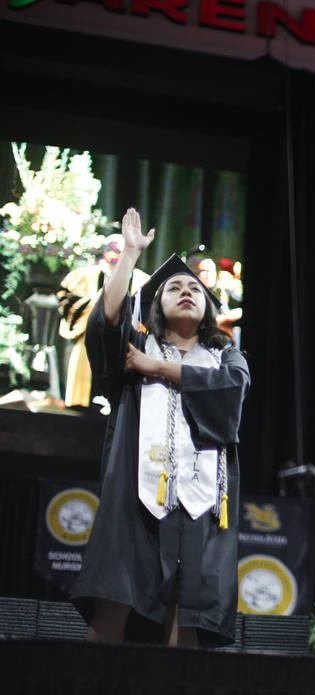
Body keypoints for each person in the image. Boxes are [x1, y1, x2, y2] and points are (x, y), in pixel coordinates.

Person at [70, 207, 250, 647]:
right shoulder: (133, 350)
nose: (186, 290)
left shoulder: (225, 356)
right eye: (174, 286)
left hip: (202, 501)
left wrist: (158, 368)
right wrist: (129, 256)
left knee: (185, 614)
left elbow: (232, 389)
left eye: (194, 287)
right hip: (136, 498)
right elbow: (104, 325)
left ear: (208, 305)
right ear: (156, 303)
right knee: (114, 600)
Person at [57, 234, 149, 408]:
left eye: (120, 250)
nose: (115, 254)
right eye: (112, 249)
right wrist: (103, 300)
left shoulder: (143, 281)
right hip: (89, 344)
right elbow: (68, 304)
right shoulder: (82, 277)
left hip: (126, 346)